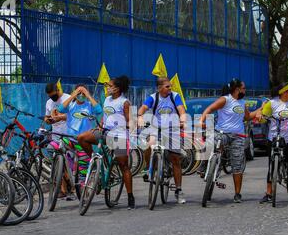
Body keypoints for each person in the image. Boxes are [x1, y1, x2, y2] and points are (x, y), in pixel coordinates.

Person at [77, 76, 136, 210]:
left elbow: (130, 121)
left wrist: (127, 126)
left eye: (110, 85)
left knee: (124, 167)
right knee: (82, 138)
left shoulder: (125, 102)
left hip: (119, 136)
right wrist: (100, 125)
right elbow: (105, 116)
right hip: (104, 133)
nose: (108, 88)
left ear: (117, 88)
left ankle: (130, 196)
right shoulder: (107, 99)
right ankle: (97, 163)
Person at [198, 79, 258, 203]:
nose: (245, 91)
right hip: (222, 133)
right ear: (237, 89)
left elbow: (247, 117)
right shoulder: (225, 100)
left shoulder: (242, 103)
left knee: (237, 164)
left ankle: (237, 194)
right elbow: (209, 109)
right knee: (210, 143)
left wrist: (261, 109)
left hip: (238, 136)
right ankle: (203, 167)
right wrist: (201, 121)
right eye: (244, 88)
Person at [137, 77, 187, 204]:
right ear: (159, 88)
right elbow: (142, 108)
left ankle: (178, 190)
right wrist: (140, 117)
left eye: (170, 86)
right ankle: (148, 168)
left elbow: (181, 109)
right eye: (167, 86)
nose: (170, 88)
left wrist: (182, 119)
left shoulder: (174, 96)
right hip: (156, 128)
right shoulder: (153, 97)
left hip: (172, 129)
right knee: (148, 144)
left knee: (175, 159)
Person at [256, 82, 288, 204]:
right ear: (283, 92)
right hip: (274, 138)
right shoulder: (272, 104)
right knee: (271, 166)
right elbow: (263, 118)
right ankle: (268, 193)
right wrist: (260, 117)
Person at [44, 82, 70, 198]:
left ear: (58, 89)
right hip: (56, 135)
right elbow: (46, 116)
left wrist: (60, 117)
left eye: (53, 95)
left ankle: (73, 186)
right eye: (50, 96)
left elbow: (74, 116)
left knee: (69, 162)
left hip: (69, 135)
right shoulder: (49, 103)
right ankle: (63, 189)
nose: (52, 98)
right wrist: (48, 120)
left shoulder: (68, 98)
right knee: (58, 162)